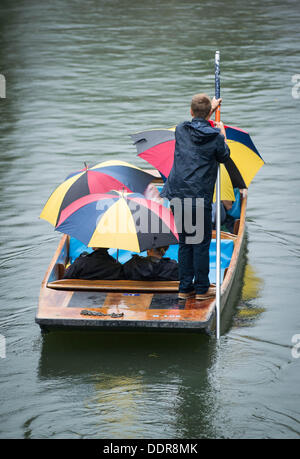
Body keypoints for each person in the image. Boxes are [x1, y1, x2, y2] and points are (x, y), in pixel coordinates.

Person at [160, 93, 230, 300]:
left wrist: (209, 110)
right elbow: (224, 157)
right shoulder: (215, 136)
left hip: (178, 194)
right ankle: (200, 289)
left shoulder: (181, 129)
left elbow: (198, 120)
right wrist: (222, 133)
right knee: (199, 243)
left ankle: (184, 288)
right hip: (199, 197)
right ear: (209, 112)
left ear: (190, 112)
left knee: (185, 242)